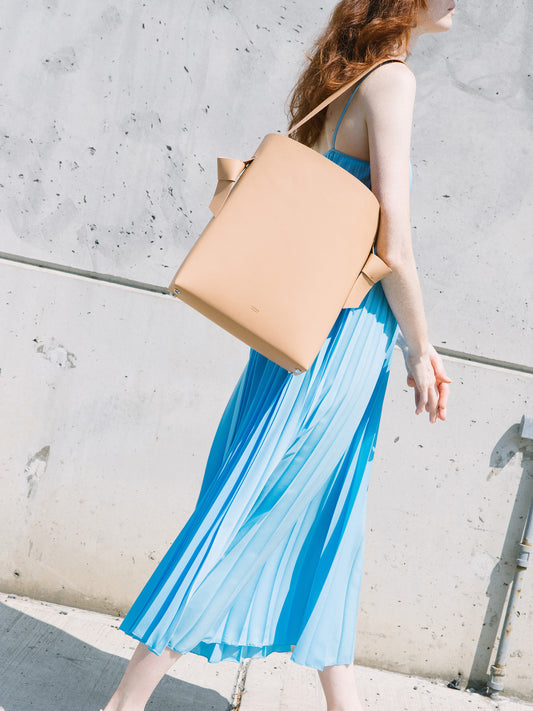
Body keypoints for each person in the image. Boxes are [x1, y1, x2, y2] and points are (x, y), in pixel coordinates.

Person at [101, 1, 453, 709]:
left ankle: (341, 700)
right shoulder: (391, 80)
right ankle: (124, 702)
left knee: (326, 508)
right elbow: (394, 244)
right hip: (342, 333)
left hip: (307, 328)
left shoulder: (343, 73)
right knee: (256, 505)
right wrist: (422, 346)